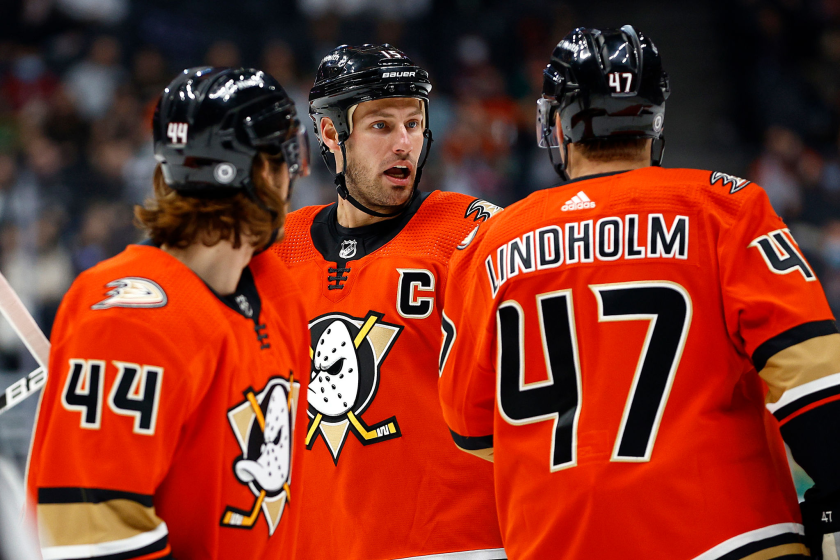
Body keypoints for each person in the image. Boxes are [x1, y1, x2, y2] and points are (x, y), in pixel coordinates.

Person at [439, 25, 840, 560]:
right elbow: (814, 382)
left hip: (561, 543)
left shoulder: (486, 245)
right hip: (730, 537)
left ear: (557, 125)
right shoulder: (723, 207)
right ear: (654, 119)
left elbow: (472, 430)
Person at [26, 66, 312, 559]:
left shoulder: (275, 288)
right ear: (265, 173)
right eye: (290, 158)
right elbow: (95, 535)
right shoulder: (127, 318)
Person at [272, 44, 505, 559]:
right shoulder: (276, 249)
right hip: (315, 545)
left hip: (459, 546)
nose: (405, 144)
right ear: (331, 133)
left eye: (414, 124)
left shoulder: (474, 234)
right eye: (381, 126)